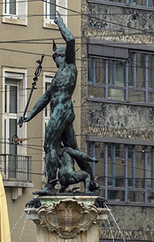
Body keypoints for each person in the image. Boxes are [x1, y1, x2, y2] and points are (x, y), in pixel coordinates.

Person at [17, 11, 98, 194]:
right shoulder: (57, 77)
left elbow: (70, 41)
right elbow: (45, 98)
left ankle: (50, 185)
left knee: (49, 145)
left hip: (62, 110)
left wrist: (60, 23)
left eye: (56, 57)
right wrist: (30, 115)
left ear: (63, 55)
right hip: (60, 111)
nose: (55, 61)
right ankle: (92, 181)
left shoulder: (70, 66)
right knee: (73, 148)